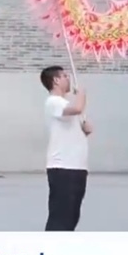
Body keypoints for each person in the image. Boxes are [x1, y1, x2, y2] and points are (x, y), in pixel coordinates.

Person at [39, 65, 91, 231]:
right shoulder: (53, 101)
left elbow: (76, 127)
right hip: (63, 167)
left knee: (72, 215)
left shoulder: (64, 104)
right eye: (65, 76)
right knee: (61, 216)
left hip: (76, 166)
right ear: (56, 80)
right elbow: (77, 108)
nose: (69, 79)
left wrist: (85, 128)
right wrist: (81, 95)